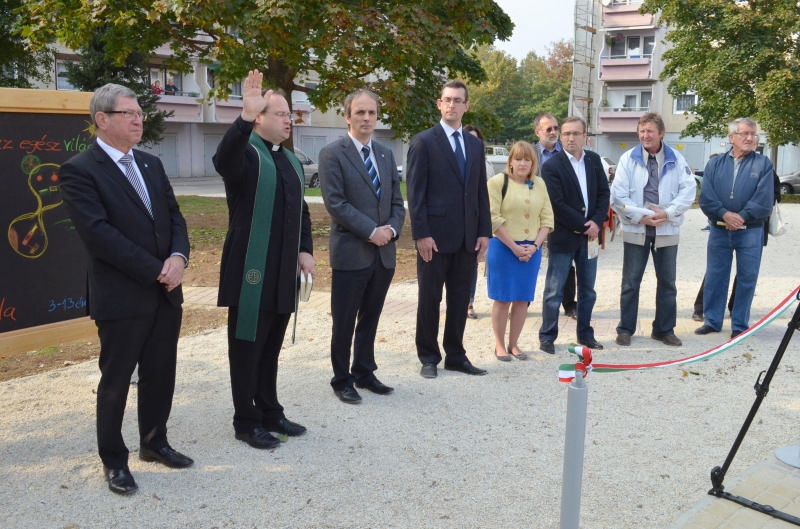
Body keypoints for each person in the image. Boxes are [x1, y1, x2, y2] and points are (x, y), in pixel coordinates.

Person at [59, 83, 193, 495]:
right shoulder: (80, 170)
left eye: (140, 113)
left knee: (160, 373)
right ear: (102, 120)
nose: (138, 120)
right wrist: (156, 270)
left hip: (165, 292)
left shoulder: (151, 163)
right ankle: (114, 460)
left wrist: (178, 258)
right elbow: (99, 235)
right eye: (129, 113)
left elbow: (174, 217)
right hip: (122, 296)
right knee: (116, 381)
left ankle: (154, 443)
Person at [213, 70, 315, 449]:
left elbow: (302, 211)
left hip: (283, 272)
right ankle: (245, 420)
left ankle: (270, 410)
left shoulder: (289, 160)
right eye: (280, 114)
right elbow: (222, 160)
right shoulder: (246, 154)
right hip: (250, 272)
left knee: (271, 346)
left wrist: (305, 249)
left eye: (290, 114)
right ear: (259, 118)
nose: (289, 120)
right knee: (247, 347)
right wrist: (242, 117)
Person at [318, 90, 405, 404]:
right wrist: (371, 231)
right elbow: (336, 204)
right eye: (360, 112)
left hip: (383, 255)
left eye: (371, 112)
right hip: (351, 254)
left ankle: (364, 371)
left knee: (371, 317)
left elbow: (397, 201)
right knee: (344, 321)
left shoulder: (385, 154)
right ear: (347, 117)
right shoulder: (332, 154)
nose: (367, 118)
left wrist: (391, 229)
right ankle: (342, 379)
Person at [407, 80, 492, 378]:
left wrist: (484, 232)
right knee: (430, 299)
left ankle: (455, 355)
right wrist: (421, 234)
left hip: (467, 238)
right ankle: (428, 356)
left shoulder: (474, 144)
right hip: (434, 238)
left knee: (460, 299)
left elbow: (480, 191)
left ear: (466, 105)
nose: (452, 105)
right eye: (447, 100)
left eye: (458, 100)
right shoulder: (423, 142)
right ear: (439, 104)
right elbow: (415, 194)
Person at [610, 113, 696, 347]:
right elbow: (618, 195)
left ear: (661, 133)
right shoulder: (628, 159)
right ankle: (625, 329)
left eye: (649, 131)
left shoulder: (676, 159)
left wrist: (667, 213)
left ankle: (663, 329)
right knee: (630, 283)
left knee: (667, 283)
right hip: (637, 228)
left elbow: (688, 191)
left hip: (666, 228)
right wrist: (642, 216)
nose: (645, 135)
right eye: (641, 131)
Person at [695, 117, 774, 339]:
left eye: (753, 134)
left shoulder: (763, 164)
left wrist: (741, 217)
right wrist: (724, 214)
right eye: (744, 133)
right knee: (715, 275)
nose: (750, 138)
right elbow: (707, 197)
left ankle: (739, 324)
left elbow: (764, 199)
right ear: (732, 138)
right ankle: (712, 320)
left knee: (747, 277)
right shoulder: (715, 164)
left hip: (750, 231)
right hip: (719, 230)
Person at [538, 117, 610, 354]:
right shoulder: (552, 166)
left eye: (575, 133)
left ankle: (585, 335)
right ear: (561, 136)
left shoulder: (593, 160)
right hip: (564, 236)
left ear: (585, 136)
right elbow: (557, 204)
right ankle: (547, 336)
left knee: (588, 290)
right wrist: (584, 225)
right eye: (566, 133)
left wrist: (597, 222)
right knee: (554, 290)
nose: (570, 138)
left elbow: (603, 194)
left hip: (590, 238)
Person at [487, 141, 553, 361]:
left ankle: (514, 343)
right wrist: (514, 247)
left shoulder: (539, 184)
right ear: (510, 162)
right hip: (504, 247)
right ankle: (499, 344)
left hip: (531, 250)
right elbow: (493, 218)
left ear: (533, 163)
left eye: (527, 159)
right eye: (518, 159)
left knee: (522, 299)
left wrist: (535, 246)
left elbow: (547, 218)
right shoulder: (497, 182)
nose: (523, 163)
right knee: (503, 298)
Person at [534, 112, 577, 320]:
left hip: (563, 216)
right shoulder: (529, 153)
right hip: (534, 217)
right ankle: (522, 302)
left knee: (565, 262)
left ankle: (569, 304)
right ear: (537, 132)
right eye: (548, 129)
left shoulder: (569, 154)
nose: (553, 132)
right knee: (529, 258)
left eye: (555, 128)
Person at [463, 123, 494, 320]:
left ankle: (469, 302)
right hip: (456, 222)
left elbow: (487, 196)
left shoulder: (486, 165)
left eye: (476, 140)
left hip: (476, 221)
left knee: (472, 264)